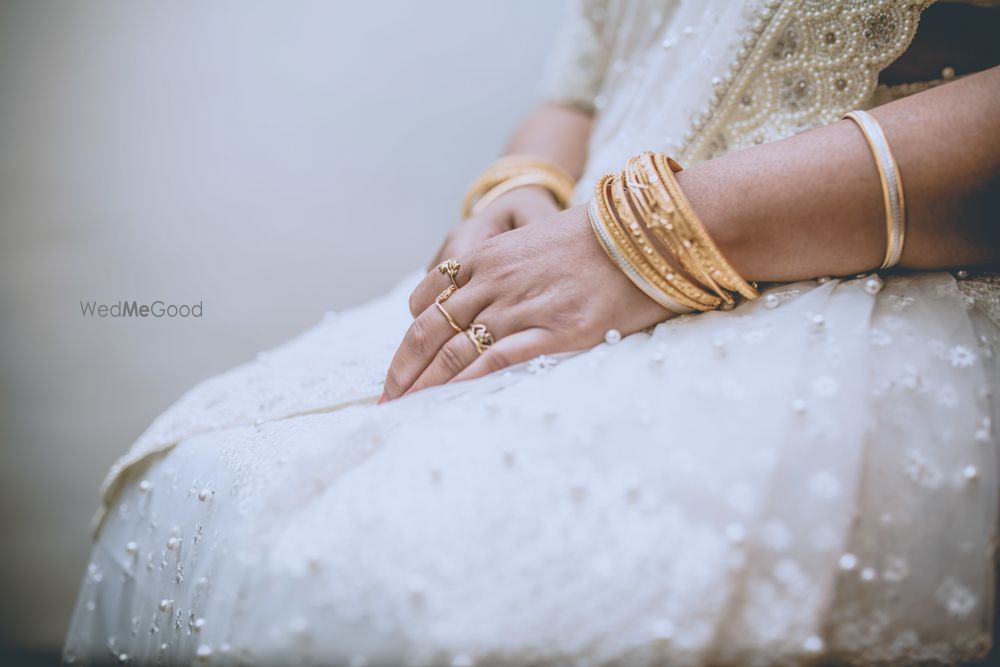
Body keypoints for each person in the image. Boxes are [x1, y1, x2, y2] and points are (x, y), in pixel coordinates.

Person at [65, 1, 1000, 664]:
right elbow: (585, 84)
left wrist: (645, 239)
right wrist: (522, 188)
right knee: (202, 471)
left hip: (859, 277)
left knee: (419, 569)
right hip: (571, 251)